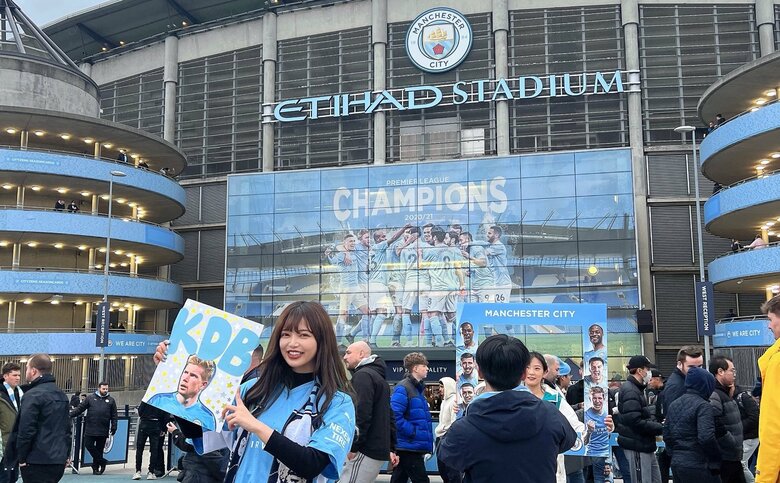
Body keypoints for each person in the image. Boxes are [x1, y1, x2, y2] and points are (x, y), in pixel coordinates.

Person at [438, 335, 576, 482]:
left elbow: (447, 464)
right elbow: (568, 440)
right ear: (524, 373)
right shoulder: (551, 415)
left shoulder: (463, 429)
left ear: (480, 373)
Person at [524, 352, 594, 483]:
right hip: (521, 464)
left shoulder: (554, 398)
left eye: (537, 368)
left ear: (545, 372)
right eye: (527, 368)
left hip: (550, 464)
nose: (531, 372)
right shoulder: (513, 396)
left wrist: (589, 430)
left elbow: (575, 426)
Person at [4, 354, 70, 483]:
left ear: (33, 370)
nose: (26, 371)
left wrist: (21, 457)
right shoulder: (61, 394)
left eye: (27, 367)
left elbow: (26, 430)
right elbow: (67, 428)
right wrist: (66, 454)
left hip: (36, 460)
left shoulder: (32, 395)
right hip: (57, 460)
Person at [340, 341, 395, 483]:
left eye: (348, 352)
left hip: (364, 450)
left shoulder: (363, 376)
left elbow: (362, 414)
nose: (345, 357)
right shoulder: (378, 377)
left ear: (361, 354)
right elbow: (390, 415)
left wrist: (353, 446)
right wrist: (392, 447)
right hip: (375, 449)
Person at [663, 367, 721, 482]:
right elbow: (706, 437)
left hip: (677, 463)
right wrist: (715, 459)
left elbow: (667, 434)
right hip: (699, 464)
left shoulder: (674, 404)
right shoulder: (703, 406)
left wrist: (674, 454)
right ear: (705, 385)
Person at [656, 345, 704, 482]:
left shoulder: (686, 381)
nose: (697, 372)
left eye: (700, 367)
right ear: (679, 364)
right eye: (692, 367)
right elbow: (676, 422)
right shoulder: (677, 386)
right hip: (686, 453)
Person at [617, 355, 663, 483]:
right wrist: (659, 427)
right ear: (639, 370)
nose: (649, 372)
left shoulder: (636, 389)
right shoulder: (631, 390)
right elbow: (634, 421)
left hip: (644, 444)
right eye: (647, 369)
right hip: (637, 445)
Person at [390, 352, 433, 483]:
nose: (427, 368)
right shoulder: (404, 388)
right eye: (424, 366)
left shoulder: (416, 389)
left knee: (399, 478)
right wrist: (413, 432)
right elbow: (394, 415)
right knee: (421, 480)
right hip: (409, 445)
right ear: (415, 368)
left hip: (409, 445)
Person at [147, 355, 217, 429]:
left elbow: (210, 440)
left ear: (203, 385)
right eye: (185, 372)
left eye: (193, 375)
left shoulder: (207, 418)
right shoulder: (158, 400)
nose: (185, 378)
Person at [708, 355, 746, 483]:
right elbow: (714, 423)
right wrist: (732, 442)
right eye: (732, 370)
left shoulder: (725, 393)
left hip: (733, 457)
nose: (734, 374)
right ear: (720, 372)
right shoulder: (715, 394)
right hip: (725, 458)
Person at [755, 294, 780, 483]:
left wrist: (766, 477)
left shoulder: (777, 362)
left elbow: (774, 423)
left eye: (771, 319)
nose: (769, 325)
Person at [69, 381, 118, 475]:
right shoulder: (90, 398)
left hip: (103, 428)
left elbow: (114, 415)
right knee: (88, 445)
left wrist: (114, 426)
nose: (105, 390)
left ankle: (96, 467)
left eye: (106, 389)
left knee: (100, 449)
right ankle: (102, 461)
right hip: (90, 428)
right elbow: (80, 408)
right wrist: (70, 415)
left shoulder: (111, 400)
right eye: (103, 389)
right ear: (99, 388)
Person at [133, 401, 167, 480]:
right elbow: (164, 414)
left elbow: (140, 412)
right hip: (155, 424)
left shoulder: (146, 399)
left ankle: (138, 471)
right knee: (154, 449)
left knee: (140, 448)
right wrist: (163, 429)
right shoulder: (160, 400)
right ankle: (151, 472)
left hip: (144, 423)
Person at [0, 363, 22, 483]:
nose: (18, 378)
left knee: (12, 478)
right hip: (3, 447)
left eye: (19, 375)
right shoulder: (1, 395)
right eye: (14, 375)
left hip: (16, 444)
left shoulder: (21, 394)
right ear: (5, 376)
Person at [435, 377, 459, 483]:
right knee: (443, 470)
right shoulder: (444, 401)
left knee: (450, 471)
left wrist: (445, 430)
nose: (440, 389)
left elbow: (454, 422)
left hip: (447, 439)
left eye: (442, 386)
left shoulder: (454, 400)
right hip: (441, 438)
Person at [735, 384, 759, 483]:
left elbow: (754, 417)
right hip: (746, 436)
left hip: (750, 437)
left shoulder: (743, 397)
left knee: (741, 463)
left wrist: (738, 427)